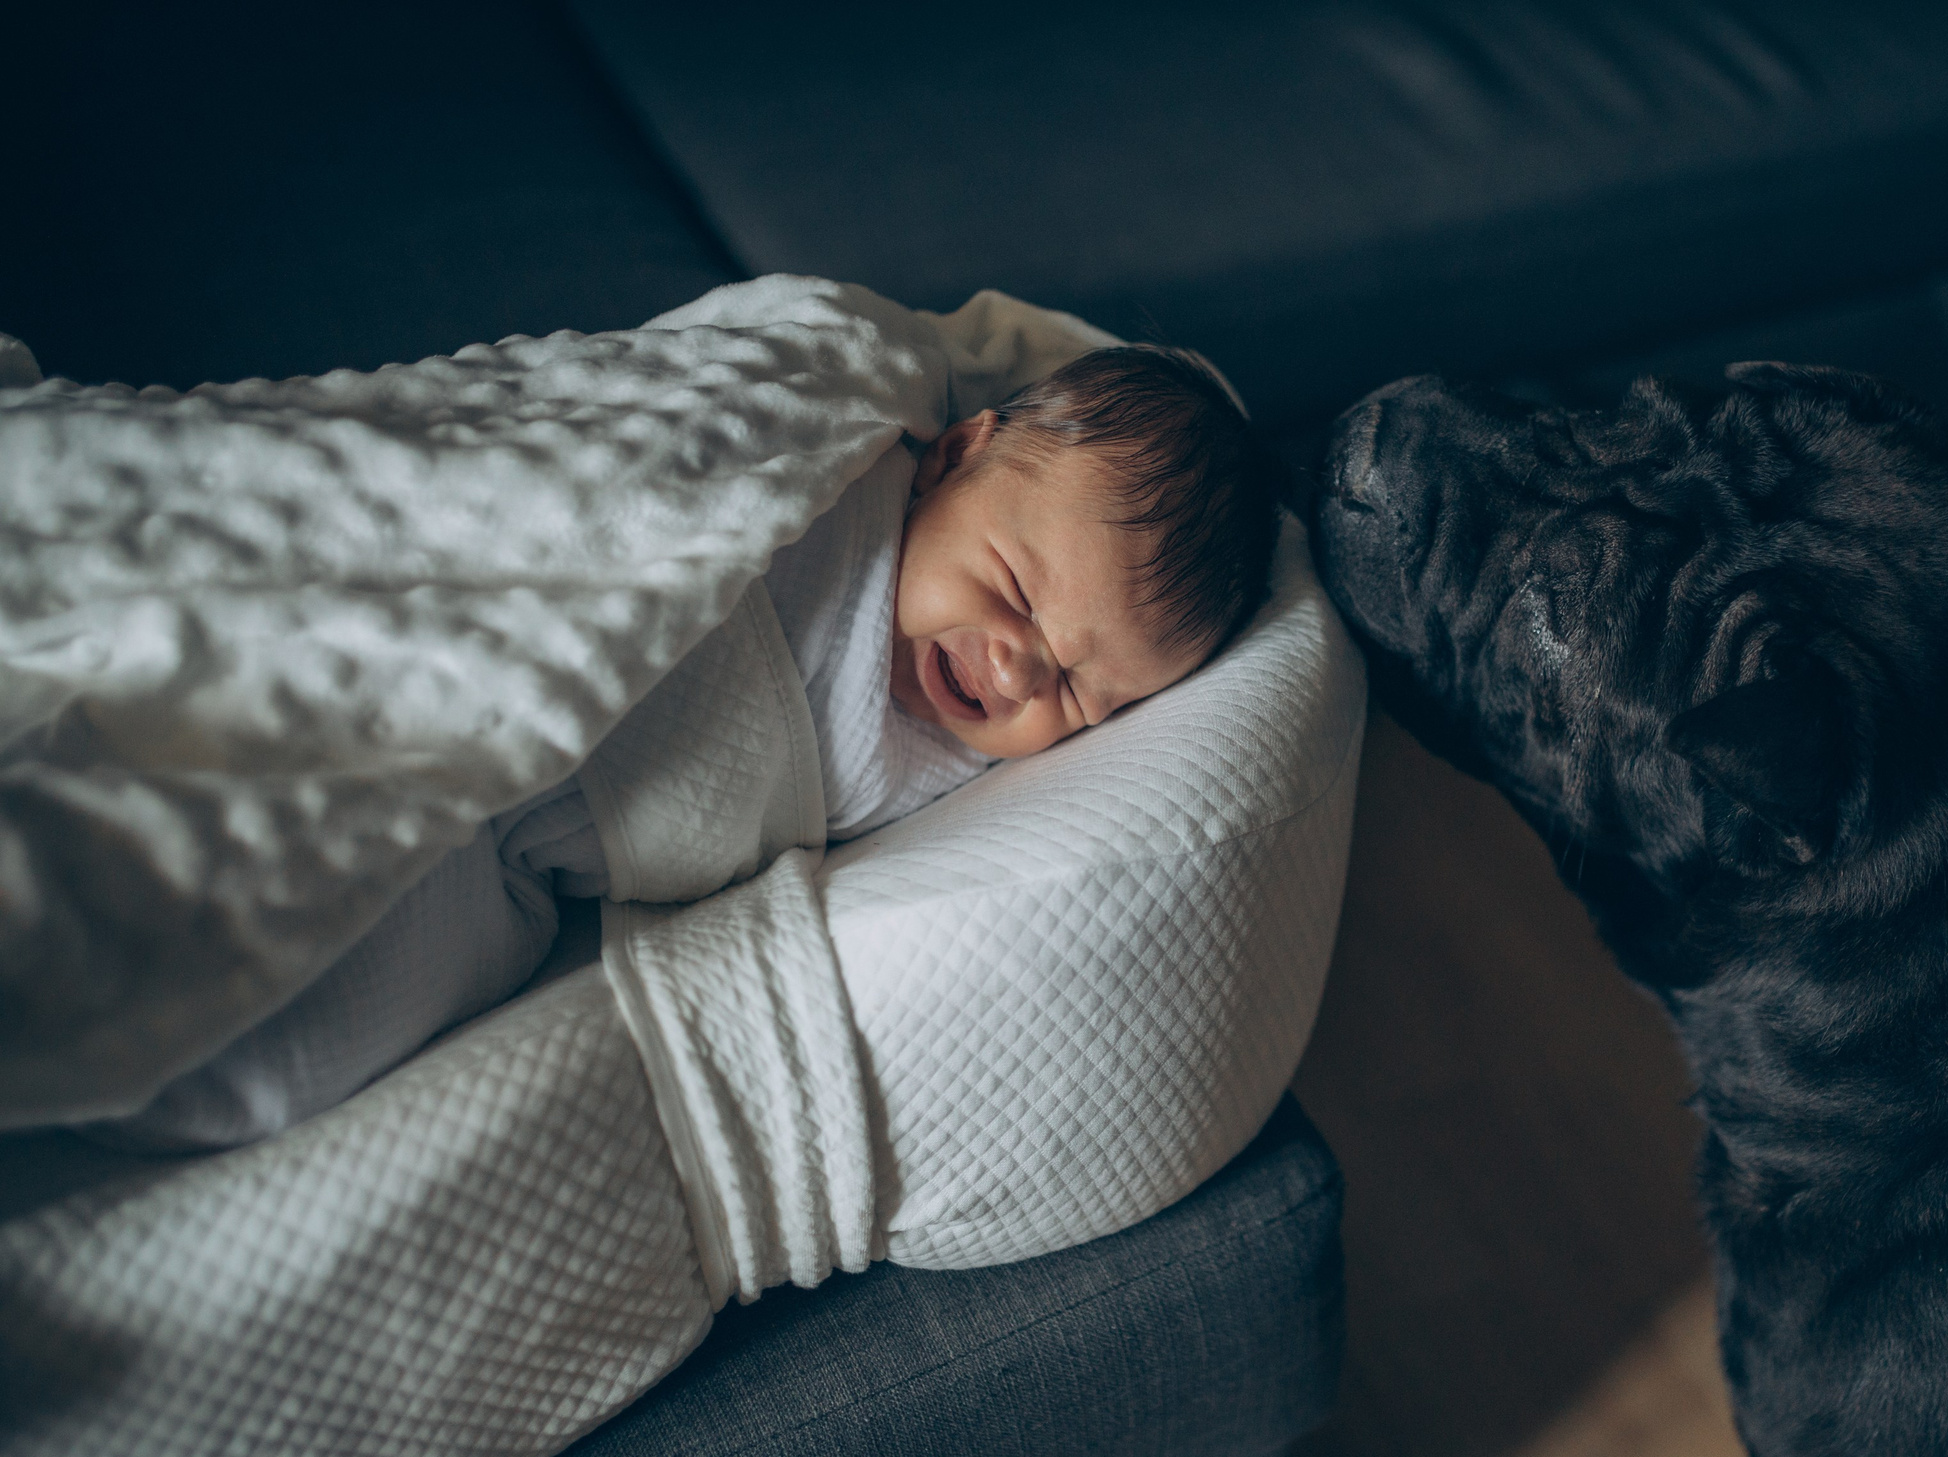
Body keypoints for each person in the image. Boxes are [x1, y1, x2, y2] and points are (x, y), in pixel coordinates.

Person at [91, 344, 1279, 1148]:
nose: (1017, 667)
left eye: (1079, 693)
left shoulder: (970, 774)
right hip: (484, 638)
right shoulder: (844, 472)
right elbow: (675, 415)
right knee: (219, 737)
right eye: (1013, 586)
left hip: (512, 853)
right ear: (956, 456)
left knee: (285, 1042)